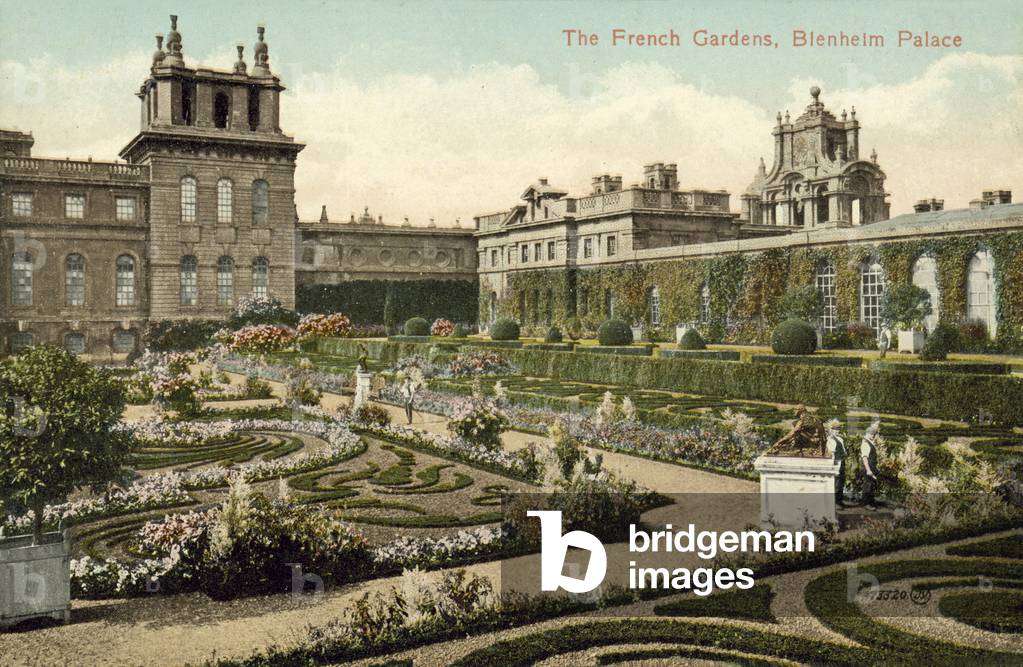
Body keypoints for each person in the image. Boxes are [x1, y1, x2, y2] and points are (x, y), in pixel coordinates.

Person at [859, 420, 881, 509]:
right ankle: (866, 504)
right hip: (868, 468)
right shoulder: (865, 443)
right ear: (867, 433)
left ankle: (870, 502)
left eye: (874, 434)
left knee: (871, 485)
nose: (873, 436)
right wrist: (868, 470)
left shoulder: (870, 442)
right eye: (871, 434)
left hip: (872, 467)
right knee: (867, 485)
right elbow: (864, 458)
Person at [825, 419, 846, 508]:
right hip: (836, 462)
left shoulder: (840, 439)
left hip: (842, 461)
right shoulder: (830, 440)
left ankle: (839, 500)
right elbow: (831, 453)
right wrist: (833, 466)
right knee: (836, 482)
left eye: (838, 430)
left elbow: (844, 451)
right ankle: (835, 502)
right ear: (831, 430)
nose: (837, 431)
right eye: (835, 430)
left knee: (841, 481)